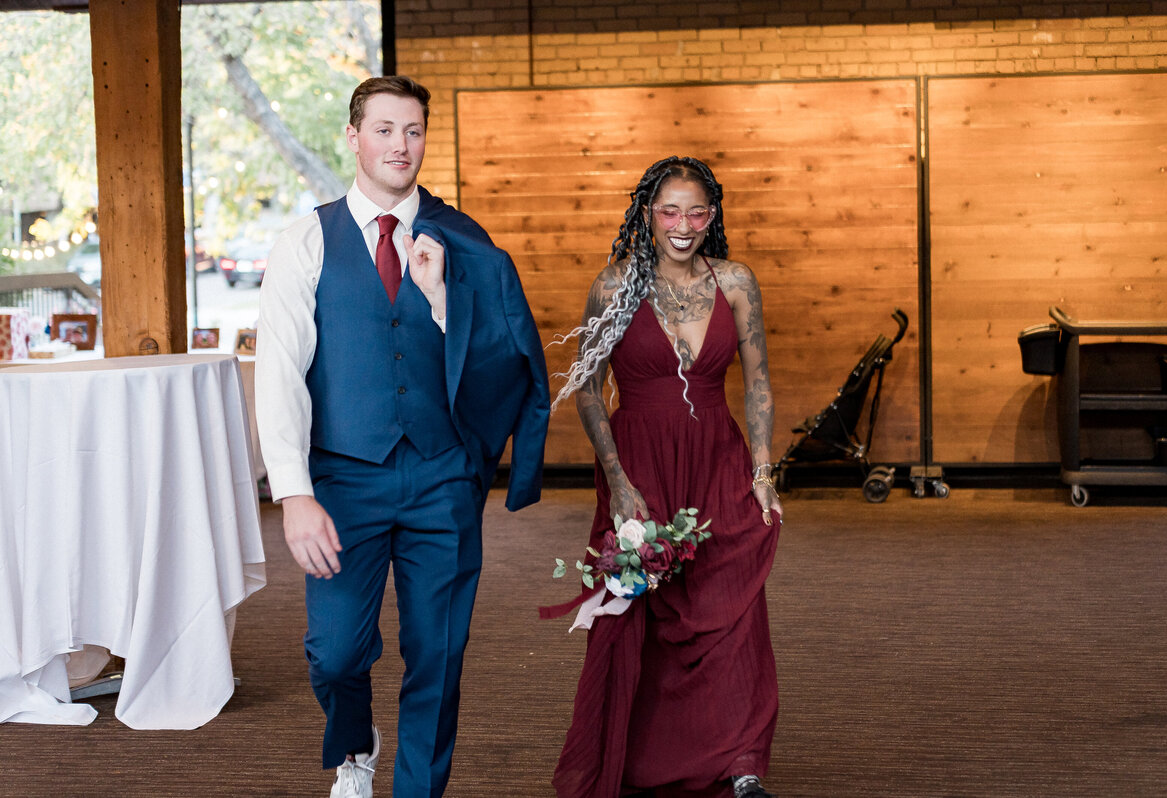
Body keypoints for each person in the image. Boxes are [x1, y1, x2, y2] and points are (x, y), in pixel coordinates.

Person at [255, 75, 550, 798]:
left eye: (413, 131)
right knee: (333, 653)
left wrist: (442, 300)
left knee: (438, 655)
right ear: (353, 137)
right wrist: (294, 494)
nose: (400, 145)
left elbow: (507, 363)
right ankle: (355, 744)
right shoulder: (305, 240)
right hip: (343, 481)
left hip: (441, 479)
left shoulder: (465, 243)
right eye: (384, 129)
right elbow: (280, 374)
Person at [549, 156, 783, 797]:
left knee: (730, 608)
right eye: (670, 210)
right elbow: (591, 392)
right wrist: (619, 482)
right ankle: (633, 758)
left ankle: (741, 763)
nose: (683, 224)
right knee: (637, 612)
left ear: (713, 216)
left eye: (697, 211)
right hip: (640, 463)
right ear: (648, 214)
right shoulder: (615, 285)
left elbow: (758, 381)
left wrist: (763, 471)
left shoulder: (736, 282)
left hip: (717, 460)